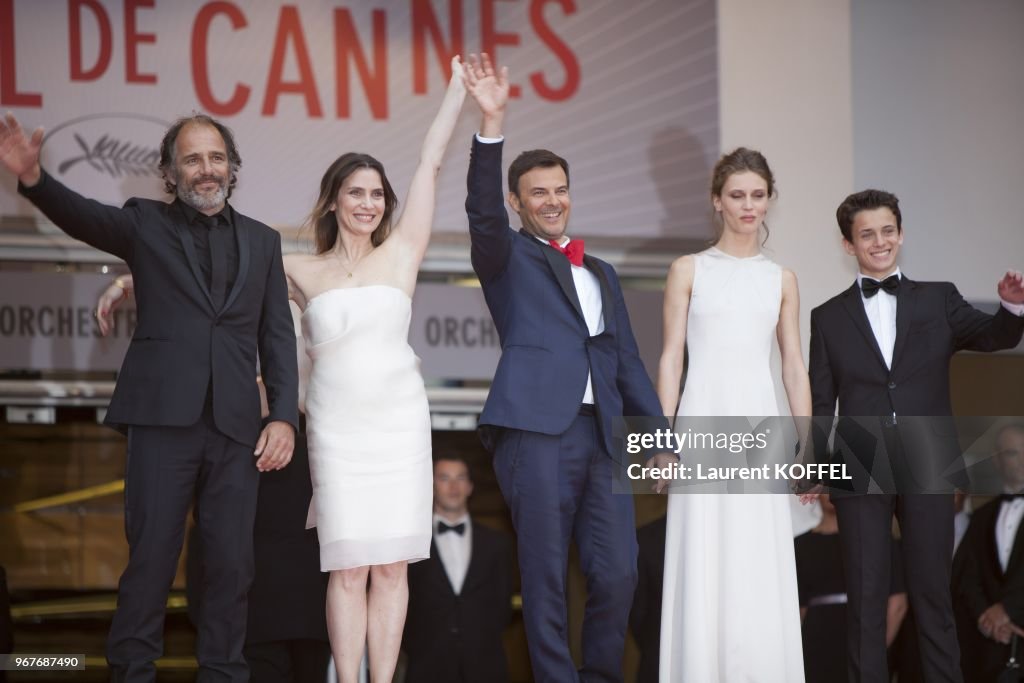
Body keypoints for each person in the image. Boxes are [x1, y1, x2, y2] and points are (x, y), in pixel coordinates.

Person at [0, 111, 299, 681]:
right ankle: (133, 672)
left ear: (232, 168)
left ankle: (224, 673)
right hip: (163, 421)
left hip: (238, 427)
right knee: (152, 561)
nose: (206, 170)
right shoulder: (145, 224)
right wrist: (35, 179)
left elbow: (277, 339)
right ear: (169, 171)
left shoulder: (264, 242)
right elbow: (84, 218)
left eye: (215, 158)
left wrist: (282, 416)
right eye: (192, 159)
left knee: (233, 568)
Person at [461, 54, 672, 682]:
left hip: (602, 436)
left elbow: (627, 360)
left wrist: (659, 439)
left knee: (619, 571)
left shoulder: (601, 271)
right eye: (538, 193)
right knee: (546, 573)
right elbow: (480, 211)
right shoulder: (505, 257)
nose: (552, 202)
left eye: (559, 190)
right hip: (537, 431)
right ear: (517, 202)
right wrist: (492, 124)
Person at [282, 58, 467, 683]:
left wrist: (456, 93)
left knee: (391, 568)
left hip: (399, 427)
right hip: (336, 432)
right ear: (334, 200)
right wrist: (128, 278)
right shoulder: (299, 270)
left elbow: (431, 161)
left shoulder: (402, 253)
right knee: (347, 568)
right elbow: (213, 271)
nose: (368, 203)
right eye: (356, 191)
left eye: (376, 193)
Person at [808, 188, 1024, 682]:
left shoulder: (938, 297)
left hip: (927, 457)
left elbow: (991, 337)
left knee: (932, 592)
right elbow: (822, 402)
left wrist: (1011, 310)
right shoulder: (827, 317)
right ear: (849, 245)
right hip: (859, 462)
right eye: (867, 234)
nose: (879, 241)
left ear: (901, 234)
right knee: (866, 598)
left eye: (887, 231)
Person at [96, 280, 330, 683]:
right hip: (252, 623)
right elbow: (208, 537)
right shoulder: (226, 441)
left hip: (303, 616)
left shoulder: (319, 441)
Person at [656, 147, 811, 681]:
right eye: (737, 195)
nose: (749, 206)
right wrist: (662, 440)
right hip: (701, 426)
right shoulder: (688, 269)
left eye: (758, 195)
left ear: (770, 201)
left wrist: (807, 445)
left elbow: (793, 365)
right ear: (716, 201)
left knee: (756, 556)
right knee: (705, 554)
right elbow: (671, 356)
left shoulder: (782, 278)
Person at [403, 456, 514, 683]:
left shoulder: (498, 544)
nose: (453, 486)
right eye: (444, 478)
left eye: (460, 478)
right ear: (431, 486)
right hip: (425, 665)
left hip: (486, 666)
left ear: (470, 486)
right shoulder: (409, 544)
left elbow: (504, 606)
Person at [794, 494, 908, 683]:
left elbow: (897, 603)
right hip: (815, 646)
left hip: (864, 636)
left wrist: (874, 650)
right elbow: (799, 609)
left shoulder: (878, 540)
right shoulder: (800, 546)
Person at [955, 423, 1024, 682]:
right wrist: (986, 616)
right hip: (989, 655)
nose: (1023, 460)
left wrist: (1007, 610)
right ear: (997, 461)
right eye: (1013, 453)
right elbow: (967, 575)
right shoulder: (981, 518)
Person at [629, 515, 667, 683]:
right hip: (654, 664)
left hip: (655, 662)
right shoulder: (643, 540)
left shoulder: (644, 538)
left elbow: (638, 616)